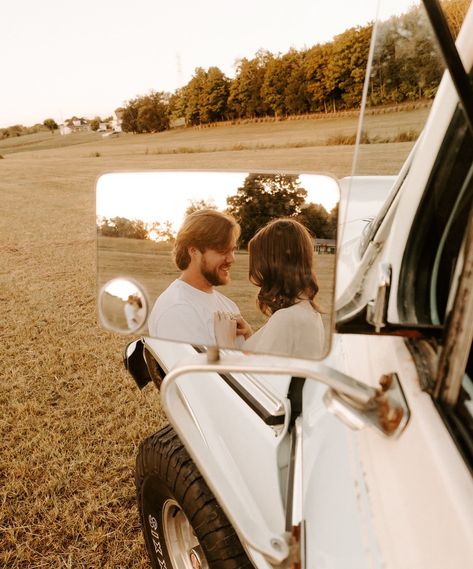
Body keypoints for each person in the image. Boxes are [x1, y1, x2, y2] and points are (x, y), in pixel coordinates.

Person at [215, 218, 325, 359]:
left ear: (272, 264)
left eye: (257, 261)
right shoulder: (309, 312)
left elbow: (251, 376)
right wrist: (249, 334)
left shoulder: (286, 319)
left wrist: (226, 342)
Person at [148, 209, 250, 346]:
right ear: (194, 251)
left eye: (232, 250)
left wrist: (249, 337)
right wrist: (226, 347)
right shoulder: (177, 310)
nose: (232, 259)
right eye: (223, 250)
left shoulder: (229, 306)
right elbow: (190, 368)